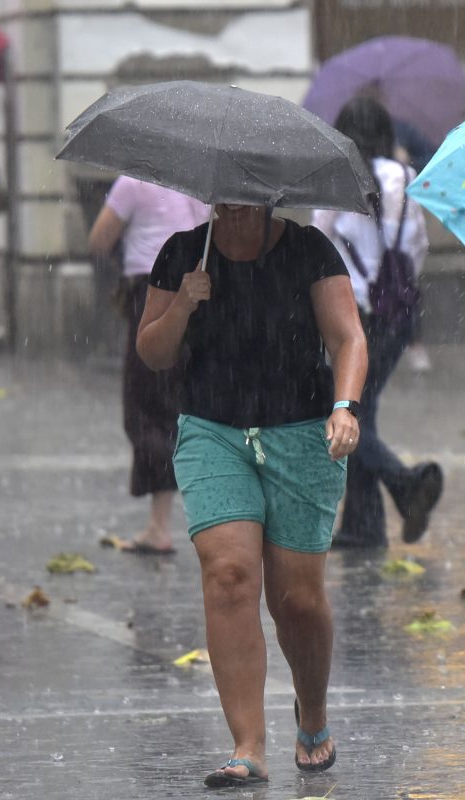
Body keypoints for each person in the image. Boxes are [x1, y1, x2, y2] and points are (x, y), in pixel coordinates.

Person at [136, 203, 367, 787]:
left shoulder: (309, 250)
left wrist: (345, 406)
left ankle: (311, 714)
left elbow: (348, 338)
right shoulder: (184, 252)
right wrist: (185, 302)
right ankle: (248, 745)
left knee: (298, 601)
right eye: (223, 199)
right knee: (230, 576)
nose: (233, 212)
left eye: (246, 201)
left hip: (301, 433)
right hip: (213, 431)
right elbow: (153, 352)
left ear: (269, 201)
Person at [312, 96, 442, 549]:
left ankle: (405, 484)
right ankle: (362, 527)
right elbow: (419, 245)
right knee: (362, 409)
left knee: (341, 411)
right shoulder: (404, 177)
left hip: (355, 315)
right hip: (398, 313)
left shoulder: (337, 177)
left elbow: (319, 244)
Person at [87, 176, 210, 554]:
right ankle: (164, 520)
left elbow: (98, 239)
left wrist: (128, 251)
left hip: (151, 296)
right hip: (192, 296)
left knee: (144, 409)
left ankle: (160, 527)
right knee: (171, 406)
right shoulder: (199, 183)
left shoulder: (133, 182)